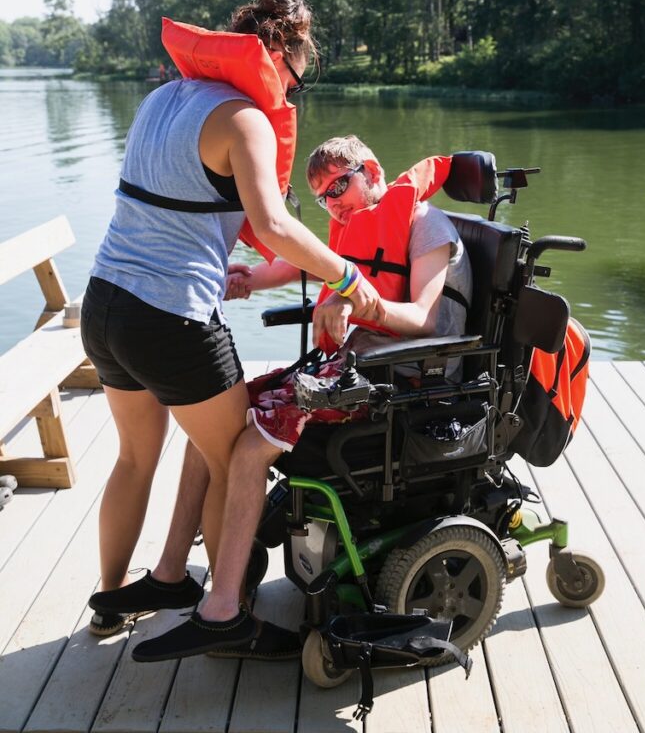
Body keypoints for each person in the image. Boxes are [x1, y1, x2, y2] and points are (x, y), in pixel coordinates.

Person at [88, 135, 472, 661]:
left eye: (340, 185)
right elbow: (305, 264)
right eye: (322, 197)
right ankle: (171, 574)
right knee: (211, 424)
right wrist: (250, 279)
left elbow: (427, 320)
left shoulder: (427, 225)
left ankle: (221, 611)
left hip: (402, 384)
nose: (334, 201)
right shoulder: (357, 220)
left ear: (373, 169)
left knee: (247, 448)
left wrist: (356, 302)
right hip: (349, 371)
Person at [81, 0, 380, 659]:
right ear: (278, 49)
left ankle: (115, 599)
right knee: (231, 458)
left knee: (135, 457)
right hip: (170, 320)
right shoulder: (243, 117)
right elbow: (273, 225)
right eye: (298, 78)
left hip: (103, 302)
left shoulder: (162, 98)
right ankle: (226, 621)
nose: (292, 94)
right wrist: (346, 275)